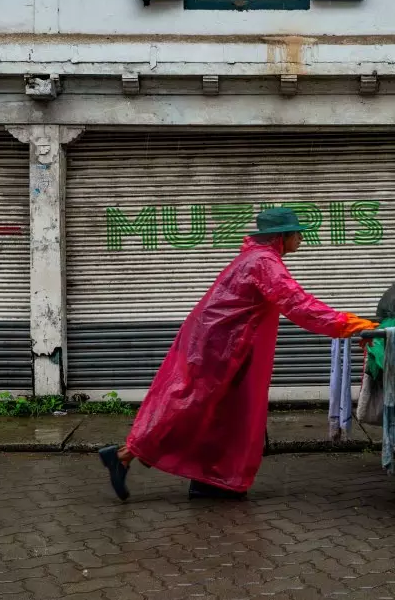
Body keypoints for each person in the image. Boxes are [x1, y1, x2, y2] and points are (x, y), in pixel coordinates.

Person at [99, 207, 378, 501]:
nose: (301, 239)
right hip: (218, 350)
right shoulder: (264, 262)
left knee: (222, 415)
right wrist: (350, 324)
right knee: (190, 408)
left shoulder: (257, 259)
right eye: (297, 233)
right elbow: (298, 305)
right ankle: (124, 454)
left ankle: (212, 478)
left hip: (223, 347)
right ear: (282, 236)